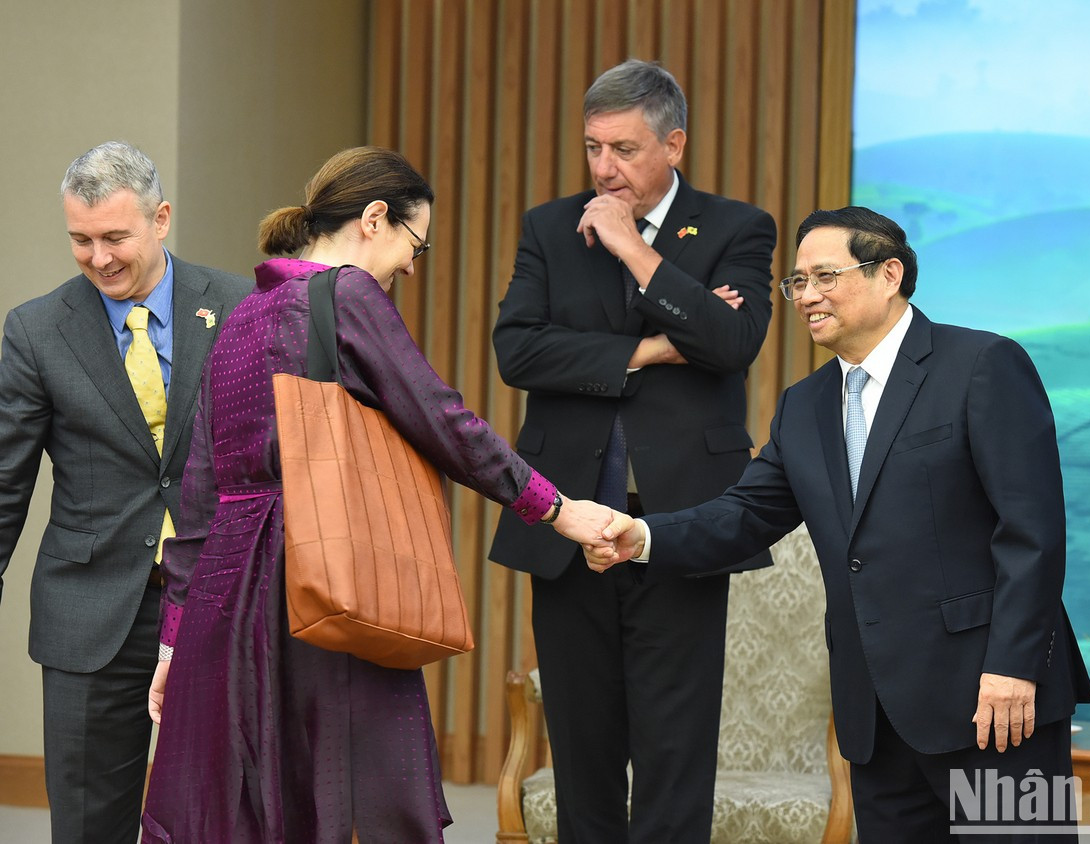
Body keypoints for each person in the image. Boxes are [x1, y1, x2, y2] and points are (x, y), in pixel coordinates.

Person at [139, 146, 614, 844]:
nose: (410, 268)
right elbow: (442, 418)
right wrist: (555, 506)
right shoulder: (346, 294)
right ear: (373, 218)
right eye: (414, 245)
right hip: (325, 575)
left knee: (246, 808)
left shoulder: (241, 315)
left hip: (225, 600)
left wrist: (174, 642)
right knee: (357, 800)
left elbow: (199, 495)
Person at [590, 206, 1090, 842]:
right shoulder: (804, 406)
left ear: (890, 274)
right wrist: (641, 536)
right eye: (797, 282)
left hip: (990, 701)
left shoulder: (982, 365)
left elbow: (1032, 533)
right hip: (875, 714)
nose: (807, 296)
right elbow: (744, 515)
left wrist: (1013, 668)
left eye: (825, 276)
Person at [488, 59, 776, 843]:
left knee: (674, 749)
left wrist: (635, 251)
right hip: (570, 521)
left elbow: (731, 340)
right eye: (592, 149)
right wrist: (651, 348)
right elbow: (517, 351)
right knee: (583, 745)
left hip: (680, 522)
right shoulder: (550, 226)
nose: (604, 170)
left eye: (623, 149)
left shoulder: (735, 229)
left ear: (673, 144)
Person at [0, 141, 251, 843]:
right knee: (87, 827)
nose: (99, 258)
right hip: (89, 613)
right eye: (80, 240)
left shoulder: (236, 305)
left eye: (115, 237)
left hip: (218, 605)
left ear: (160, 218)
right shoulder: (37, 329)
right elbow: (5, 479)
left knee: (223, 819)